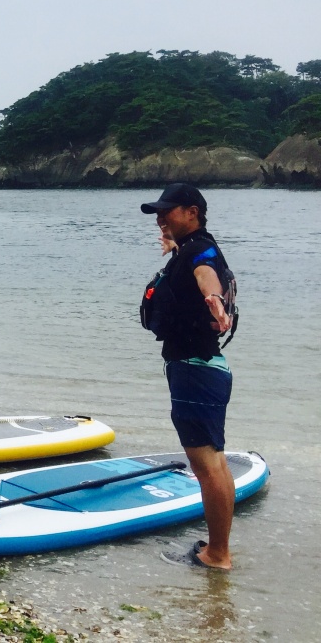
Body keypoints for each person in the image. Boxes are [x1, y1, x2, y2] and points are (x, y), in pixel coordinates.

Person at [140, 183, 236, 570]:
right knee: (214, 460)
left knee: (207, 465)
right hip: (202, 368)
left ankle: (217, 555)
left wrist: (212, 298)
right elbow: (195, 260)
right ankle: (218, 548)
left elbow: (205, 274)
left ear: (192, 211)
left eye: (169, 211)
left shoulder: (199, 251)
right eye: (158, 213)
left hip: (195, 370)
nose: (162, 217)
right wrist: (171, 243)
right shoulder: (194, 245)